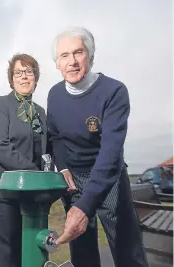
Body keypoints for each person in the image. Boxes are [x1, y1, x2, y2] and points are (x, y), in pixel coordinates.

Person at [47, 27, 149, 267]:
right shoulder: (54, 95)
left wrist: (85, 206)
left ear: (90, 57)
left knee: (127, 250)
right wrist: (62, 168)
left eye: (78, 53)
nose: (71, 62)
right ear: (57, 64)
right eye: (64, 56)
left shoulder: (114, 91)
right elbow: (55, 137)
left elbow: (110, 153)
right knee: (81, 252)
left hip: (108, 176)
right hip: (74, 179)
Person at [0, 53, 49, 267]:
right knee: (5, 255)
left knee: (25, 251)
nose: (24, 77)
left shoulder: (41, 113)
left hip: (27, 191)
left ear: (35, 77)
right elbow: (0, 147)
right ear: (11, 78)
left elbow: (46, 150)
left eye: (29, 72)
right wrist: (35, 173)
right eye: (18, 72)